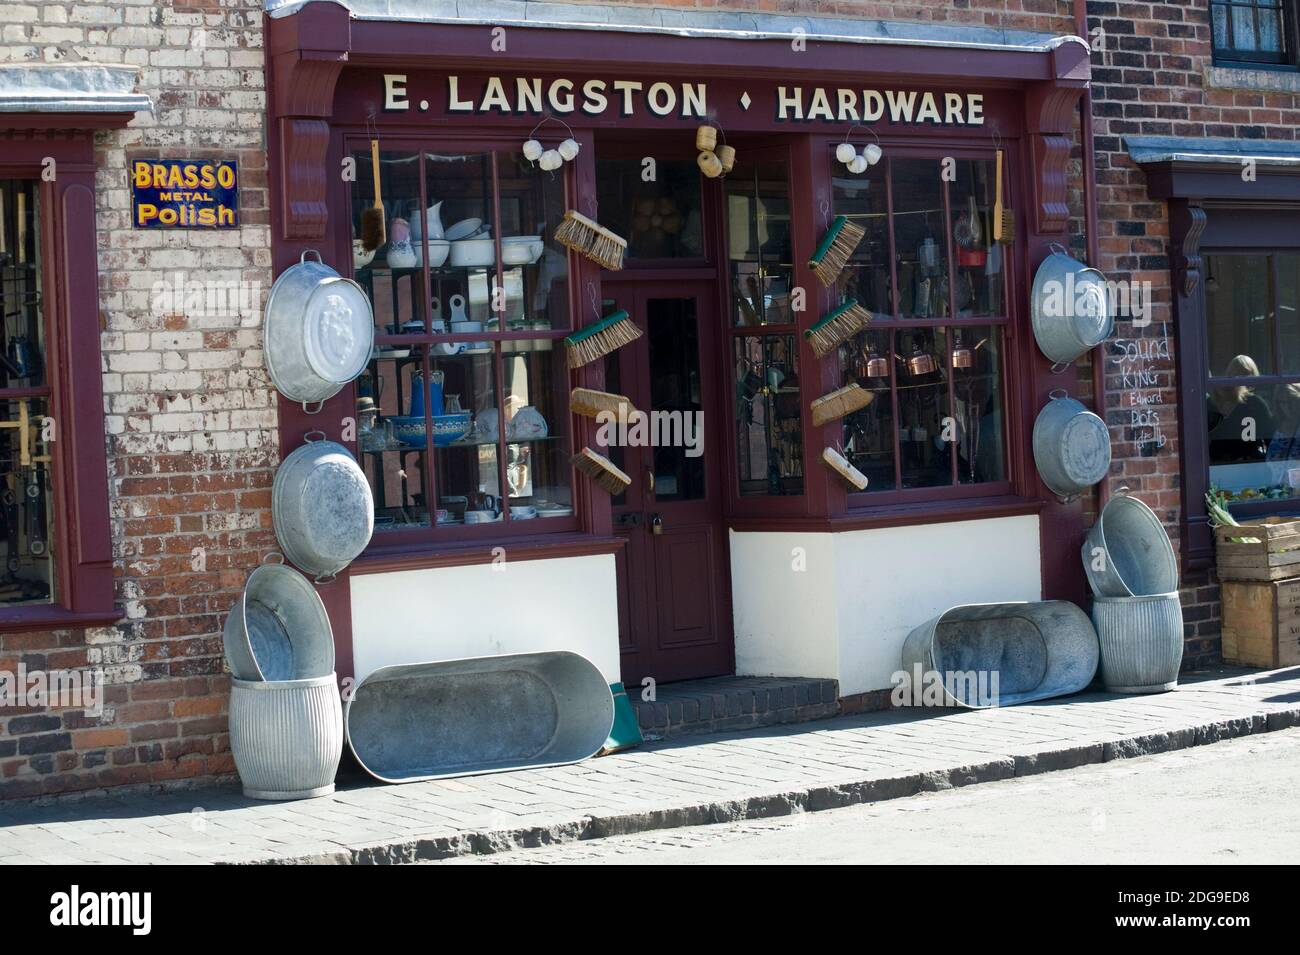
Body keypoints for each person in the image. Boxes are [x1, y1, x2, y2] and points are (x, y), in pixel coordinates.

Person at [1207, 354, 1273, 463]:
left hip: (1218, 462)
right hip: (1244, 463)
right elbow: (1270, 435)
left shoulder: (1213, 400)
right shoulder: (1255, 404)